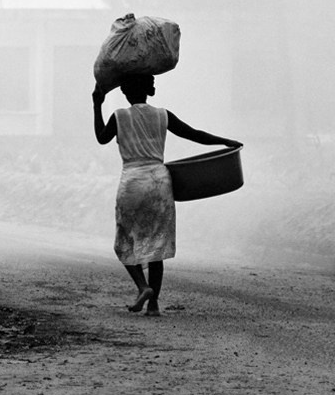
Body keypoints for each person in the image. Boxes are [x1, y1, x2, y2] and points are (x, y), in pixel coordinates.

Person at [92, 72, 238, 316]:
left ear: (125, 92)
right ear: (149, 90)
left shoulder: (119, 116)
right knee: (157, 243)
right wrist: (226, 142)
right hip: (160, 182)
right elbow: (194, 134)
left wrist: (97, 104)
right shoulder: (163, 115)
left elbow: (101, 138)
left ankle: (143, 287)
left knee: (125, 241)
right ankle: (153, 306)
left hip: (133, 182)